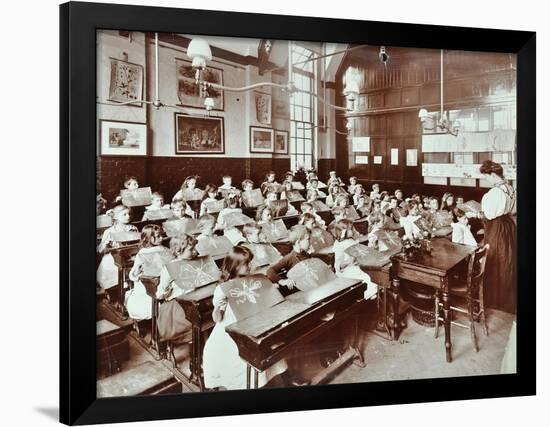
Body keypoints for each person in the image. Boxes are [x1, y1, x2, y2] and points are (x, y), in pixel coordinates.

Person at [202, 246, 288, 390]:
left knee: (267, 344)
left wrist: (270, 289)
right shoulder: (222, 288)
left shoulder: (253, 279)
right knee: (234, 353)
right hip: (233, 324)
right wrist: (218, 307)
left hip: (254, 319)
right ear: (235, 265)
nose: (250, 266)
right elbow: (217, 318)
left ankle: (269, 378)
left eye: (249, 263)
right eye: (246, 264)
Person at [474, 160, 516, 313]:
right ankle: (505, 297)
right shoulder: (509, 188)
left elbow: (489, 215)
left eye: (486, 177)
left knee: (495, 259)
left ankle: (496, 299)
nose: (487, 180)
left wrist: (476, 213)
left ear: (492, 174)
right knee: (507, 259)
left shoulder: (495, 193)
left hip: (496, 229)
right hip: (507, 226)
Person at [126, 225, 173, 321]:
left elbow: (133, 274)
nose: (162, 238)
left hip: (158, 280)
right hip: (154, 281)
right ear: (149, 238)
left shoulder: (162, 249)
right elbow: (134, 273)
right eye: (158, 236)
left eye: (161, 235)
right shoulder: (145, 252)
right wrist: (137, 276)